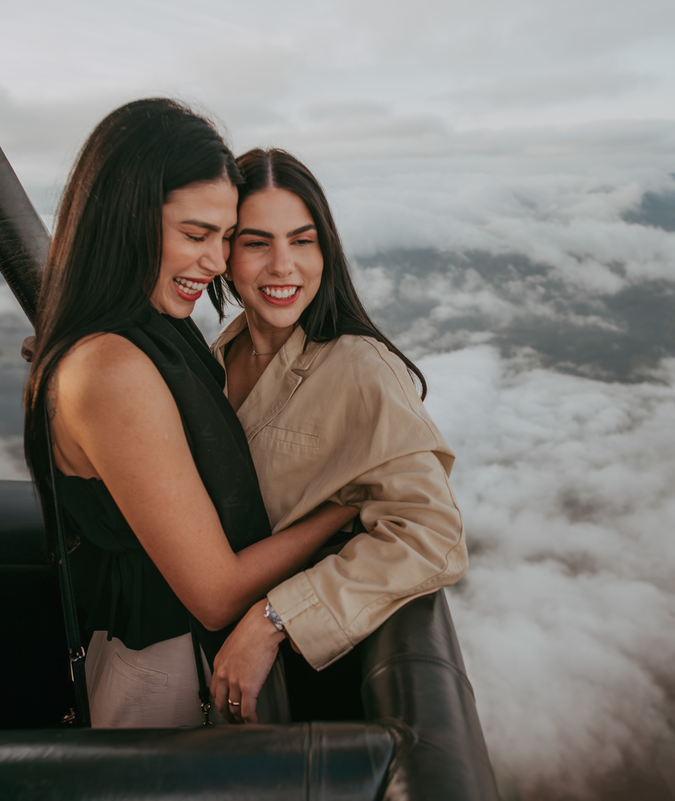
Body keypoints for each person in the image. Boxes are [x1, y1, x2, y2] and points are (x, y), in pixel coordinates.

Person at [22, 101, 356, 729]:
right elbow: (216, 594)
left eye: (226, 238)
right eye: (196, 235)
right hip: (167, 681)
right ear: (125, 221)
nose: (217, 263)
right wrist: (343, 506)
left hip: (183, 664)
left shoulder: (150, 329)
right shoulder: (111, 368)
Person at [207, 149, 468, 724]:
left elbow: (432, 534)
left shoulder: (360, 367)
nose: (283, 265)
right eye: (257, 243)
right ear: (225, 254)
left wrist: (275, 618)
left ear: (325, 249)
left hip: (298, 686)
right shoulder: (222, 352)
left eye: (302, 241)